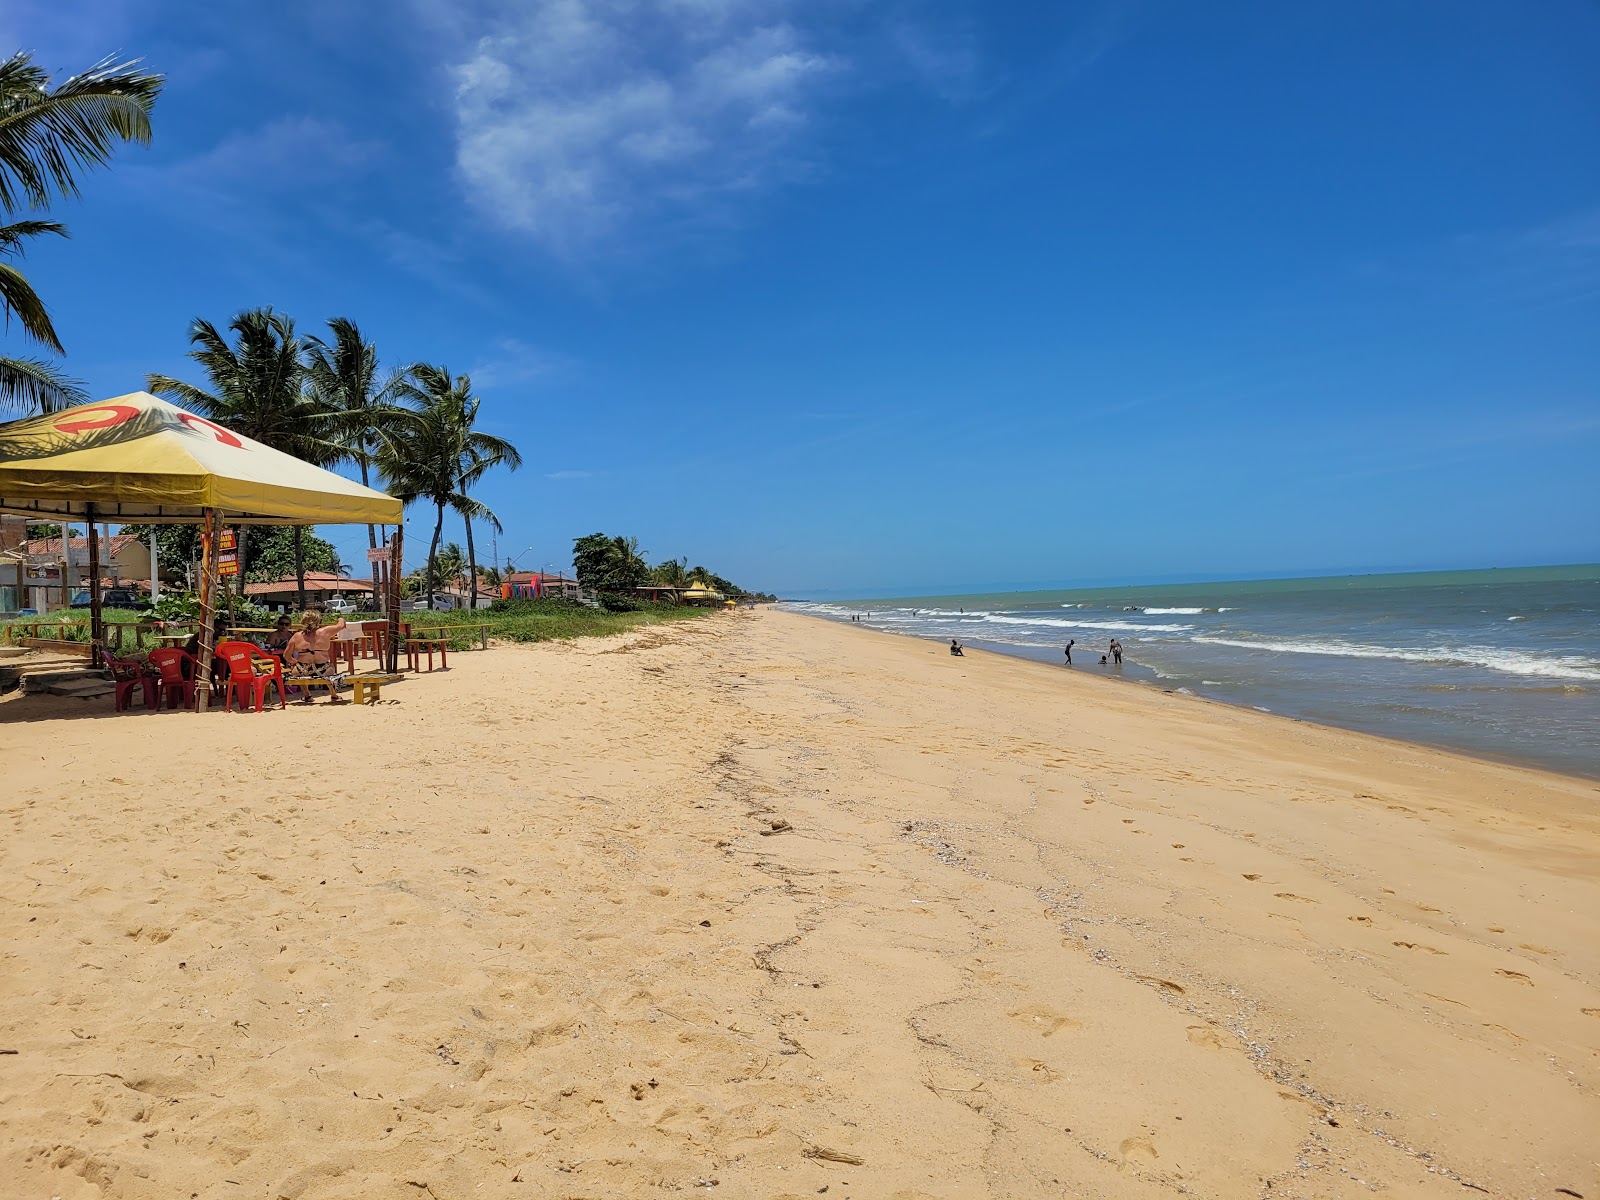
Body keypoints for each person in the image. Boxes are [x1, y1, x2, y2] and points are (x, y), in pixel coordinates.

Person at [283, 611, 349, 704]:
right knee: (330, 667)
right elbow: (341, 625)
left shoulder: (297, 636)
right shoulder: (325, 631)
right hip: (323, 669)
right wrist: (340, 618)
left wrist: (294, 662)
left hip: (303, 669)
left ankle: (307, 695)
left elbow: (286, 655)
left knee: (295, 668)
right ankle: (333, 694)